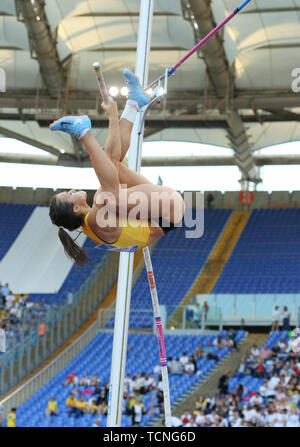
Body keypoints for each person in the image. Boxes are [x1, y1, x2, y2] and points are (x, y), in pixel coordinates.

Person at [49, 69, 185, 265]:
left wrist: (114, 117)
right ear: (76, 209)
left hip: (156, 214)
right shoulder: (96, 218)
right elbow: (109, 188)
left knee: (111, 164)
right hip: (168, 211)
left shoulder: (91, 220)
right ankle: (84, 133)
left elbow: (110, 168)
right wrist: (107, 121)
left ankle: (134, 103)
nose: (72, 190)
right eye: (69, 194)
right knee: (107, 195)